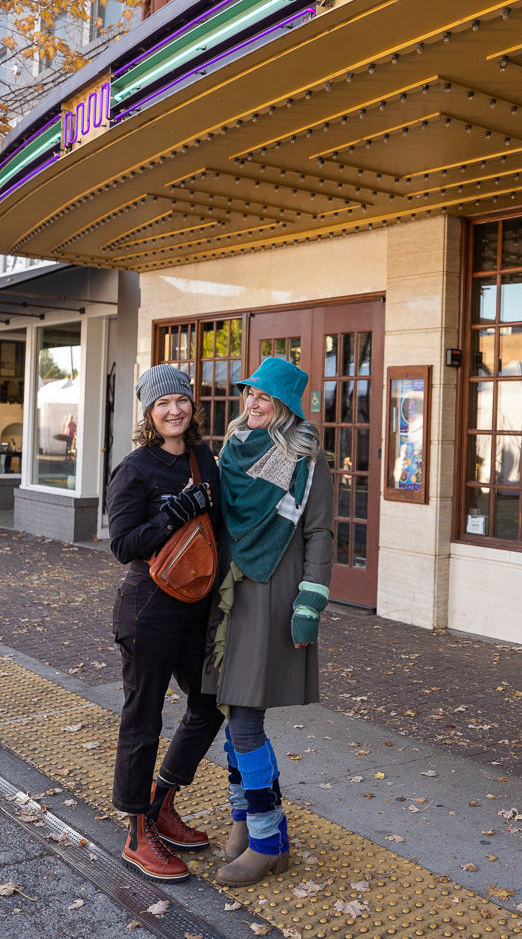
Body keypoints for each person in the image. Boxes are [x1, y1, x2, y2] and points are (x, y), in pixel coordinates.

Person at [203, 357, 333, 887]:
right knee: (232, 710)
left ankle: (267, 839)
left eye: (264, 398)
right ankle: (243, 821)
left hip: (274, 592)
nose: (252, 404)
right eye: (249, 394)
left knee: (246, 718)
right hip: (228, 591)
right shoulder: (230, 449)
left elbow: (320, 535)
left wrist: (309, 608)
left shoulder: (305, 459)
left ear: (284, 407)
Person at [107, 364, 223, 883]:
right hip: (148, 607)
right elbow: (122, 545)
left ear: (192, 406)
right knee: (143, 717)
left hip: (196, 604)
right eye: (162, 404)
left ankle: (161, 802)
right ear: (149, 415)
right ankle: (136, 833)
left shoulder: (205, 459)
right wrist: (170, 517)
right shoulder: (135, 468)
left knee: (208, 702)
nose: (173, 410)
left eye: (181, 400)